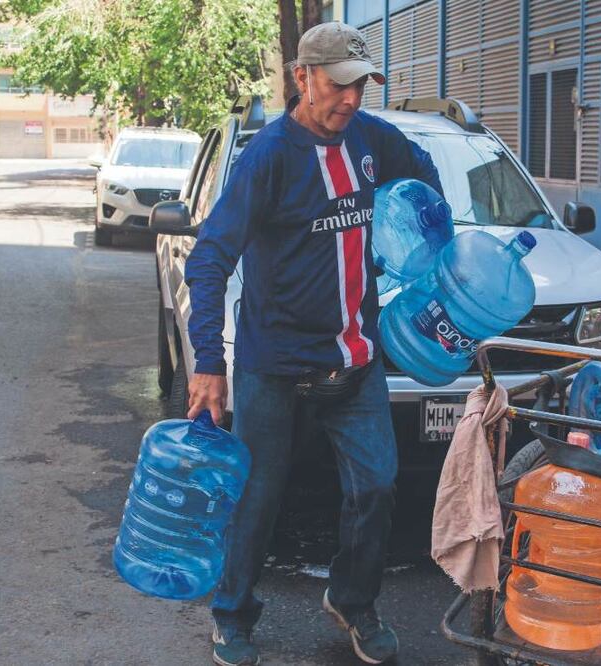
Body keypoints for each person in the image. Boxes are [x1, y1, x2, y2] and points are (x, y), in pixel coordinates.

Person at [183, 21, 443, 666]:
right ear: (302, 77)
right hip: (273, 366)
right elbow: (210, 258)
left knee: (377, 487)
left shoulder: (373, 140)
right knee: (257, 497)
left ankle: (351, 600)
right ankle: (232, 614)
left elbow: (425, 176)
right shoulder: (268, 157)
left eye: (361, 86)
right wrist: (210, 364)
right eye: (338, 85)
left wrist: (416, 232)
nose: (351, 99)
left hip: (356, 362)